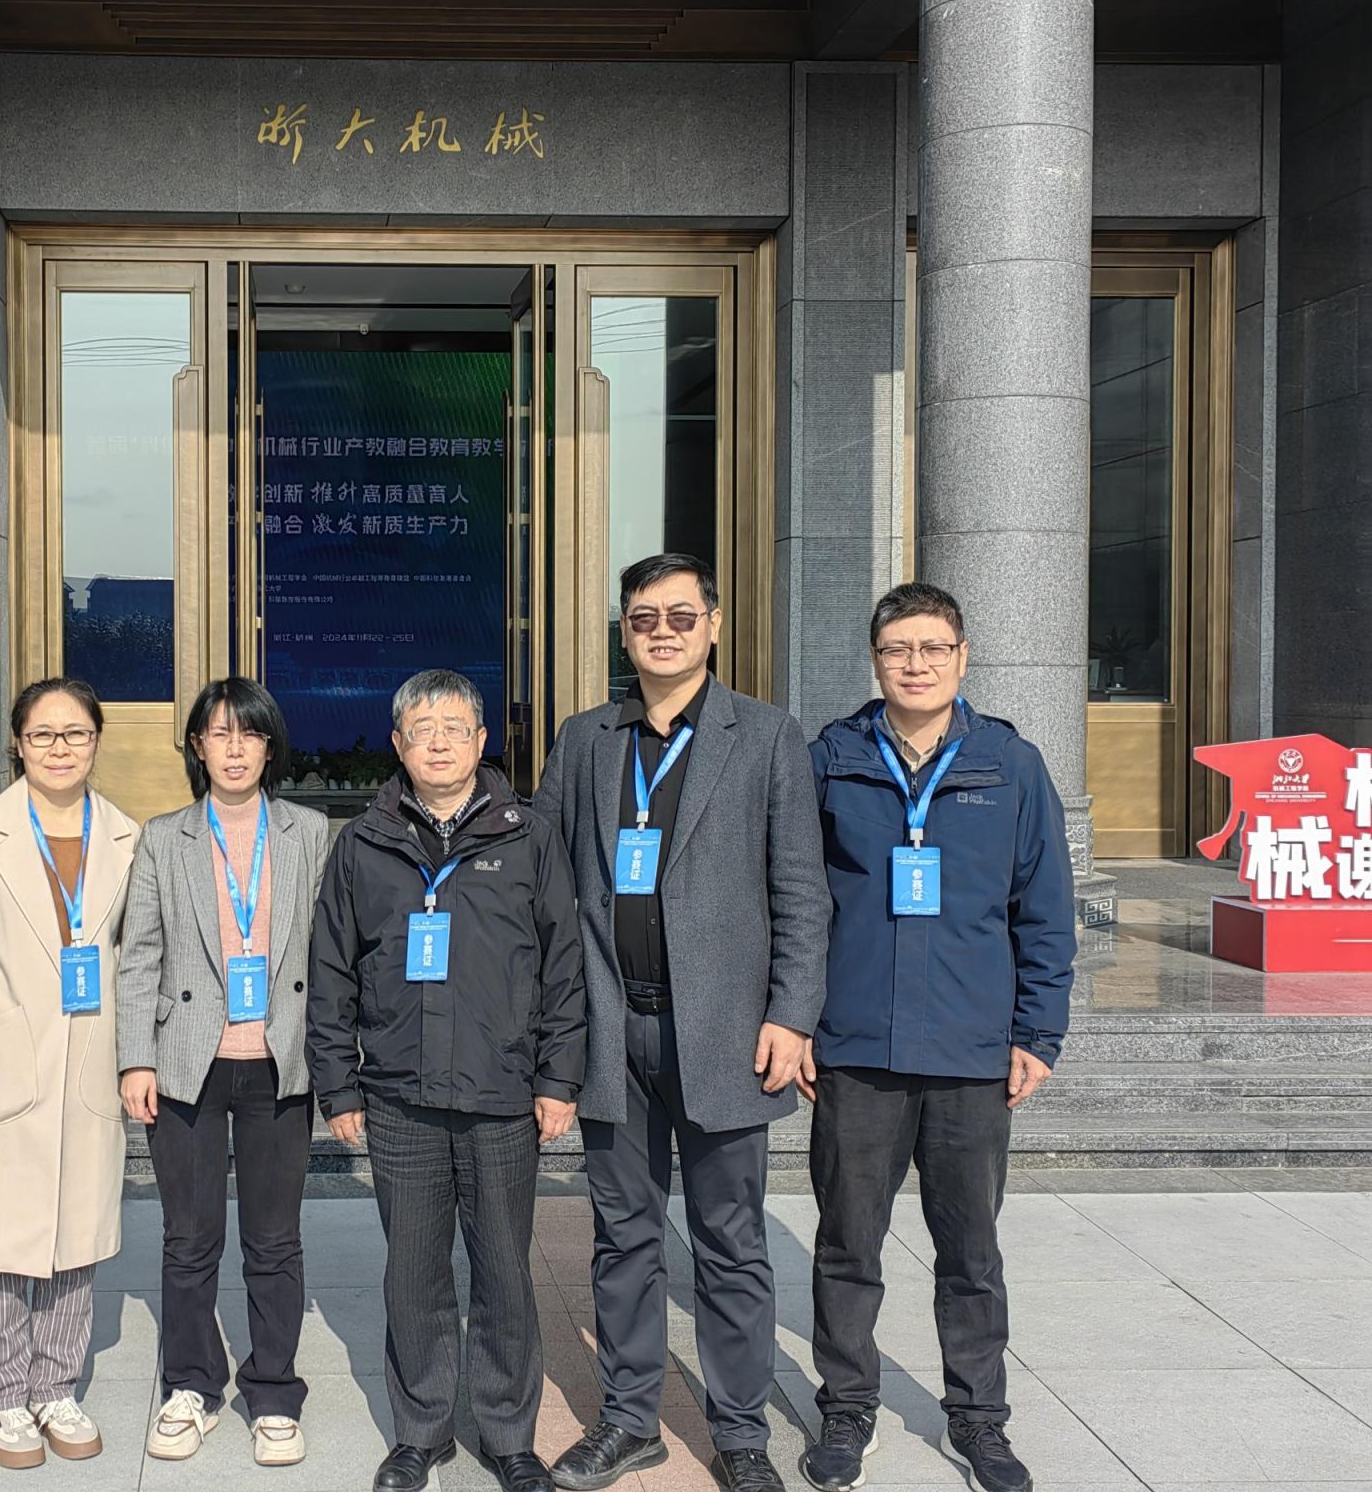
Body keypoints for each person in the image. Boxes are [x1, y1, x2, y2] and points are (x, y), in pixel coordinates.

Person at [532, 553, 830, 1492]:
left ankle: (740, 1433)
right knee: (623, 1236)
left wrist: (792, 1014)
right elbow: (546, 881)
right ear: (624, 631)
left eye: (679, 616)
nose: (661, 632)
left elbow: (802, 891)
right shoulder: (586, 739)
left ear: (713, 624)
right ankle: (630, 1420)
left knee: (730, 1241)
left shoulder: (766, 736)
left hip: (726, 1032)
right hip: (610, 1028)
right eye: (643, 618)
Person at [799, 583, 1075, 1492]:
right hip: (857, 1049)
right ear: (874, 659)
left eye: (932, 648)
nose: (914, 665)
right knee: (847, 1246)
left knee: (971, 1253)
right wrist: (796, 1022)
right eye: (897, 650)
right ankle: (846, 1408)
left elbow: (1045, 910)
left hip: (970, 1050)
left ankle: (979, 1419)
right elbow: (793, 903)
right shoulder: (832, 760)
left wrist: (1038, 1031)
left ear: (962, 657)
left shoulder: (1010, 764)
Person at [308, 669, 587, 1492]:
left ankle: (509, 1437)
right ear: (398, 743)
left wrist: (559, 1077)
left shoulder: (528, 836)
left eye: (454, 728)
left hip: (503, 1093)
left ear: (481, 741)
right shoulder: (363, 843)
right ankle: (421, 1431)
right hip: (399, 1095)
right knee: (414, 1271)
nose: (438, 743)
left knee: (504, 1271)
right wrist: (339, 1085)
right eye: (421, 730)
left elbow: (564, 966)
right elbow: (331, 972)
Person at [0, 678, 140, 1471]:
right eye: (43, 735)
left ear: (96, 741)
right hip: (2, 1062)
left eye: (75, 734)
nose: (59, 749)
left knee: (77, 1234)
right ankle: (3, 1396)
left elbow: (132, 950)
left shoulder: (125, 837)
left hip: (87, 1061)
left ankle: (57, 1387)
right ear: (18, 744)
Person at [117, 678, 333, 1466]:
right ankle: (191, 1386)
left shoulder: (310, 832)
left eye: (249, 734)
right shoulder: (163, 837)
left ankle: (273, 1393)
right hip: (187, 1065)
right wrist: (135, 1057)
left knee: (274, 1241)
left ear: (270, 747)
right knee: (189, 1239)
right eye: (219, 733)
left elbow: (331, 953)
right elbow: (139, 955)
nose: (234, 748)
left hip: (279, 1061)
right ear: (197, 747)